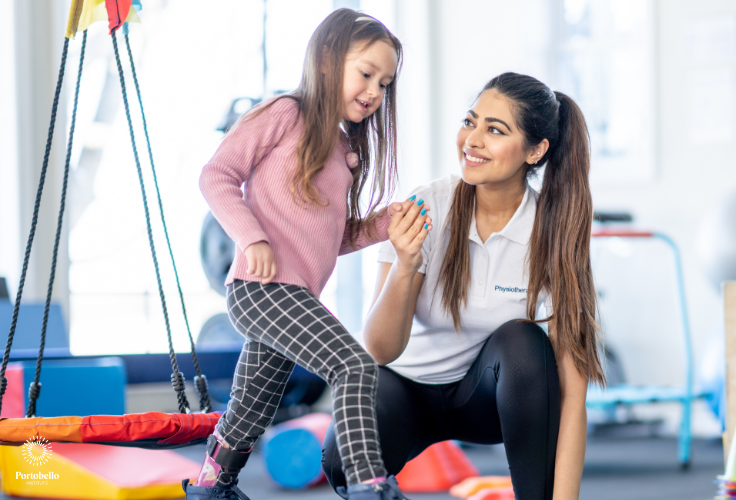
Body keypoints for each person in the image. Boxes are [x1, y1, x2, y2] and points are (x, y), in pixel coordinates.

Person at [323, 72, 605, 500]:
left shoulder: (554, 234)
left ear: (536, 150)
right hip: (407, 389)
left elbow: (572, 397)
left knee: (524, 342)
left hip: (490, 401)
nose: (472, 139)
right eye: (470, 122)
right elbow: (380, 350)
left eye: (494, 130)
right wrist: (405, 264)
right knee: (341, 460)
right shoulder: (427, 207)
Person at [186, 9, 424, 500]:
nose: (375, 91)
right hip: (261, 289)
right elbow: (217, 175)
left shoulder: (342, 151)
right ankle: (368, 482)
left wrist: (384, 223)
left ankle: (212, 485)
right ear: (326, 61)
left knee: (253, 404)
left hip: (292, 295)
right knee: (354, 366)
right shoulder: (282, 113)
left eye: (385, 83)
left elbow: (329, 237)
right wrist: (252, 238)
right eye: (365, 74)